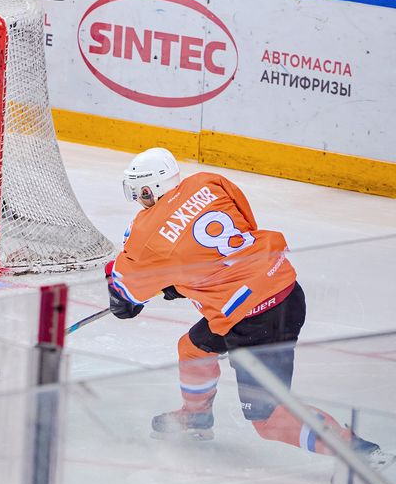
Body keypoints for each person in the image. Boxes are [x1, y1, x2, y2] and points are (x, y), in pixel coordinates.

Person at [107, 148, 390, 466]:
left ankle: (359, 454)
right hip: (283, 287)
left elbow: (125, 295)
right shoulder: (208, 182)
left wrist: (127, 299)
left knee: (269, 420)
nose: (137, 200)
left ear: (149, 190)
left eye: (137, 193)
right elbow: (243, 228)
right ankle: (196, 417)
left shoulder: (146, 234)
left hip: (253, 320)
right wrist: (190, 275)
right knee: (193, 349)